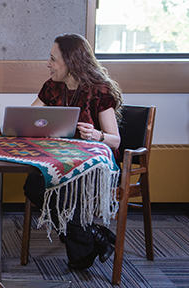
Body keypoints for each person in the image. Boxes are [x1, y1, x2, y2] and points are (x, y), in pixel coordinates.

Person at [24, 33, 123, 270]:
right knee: (33, 186)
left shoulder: (99, 90)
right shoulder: (51, 87)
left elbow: (115, 141)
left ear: (71, 62)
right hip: (59, 160)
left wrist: (95, 134)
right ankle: (94, 237)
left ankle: (82, 250)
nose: (48, 64)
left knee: (64, 190)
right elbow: (29, 119)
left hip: (92, 164)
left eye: (53, 59)